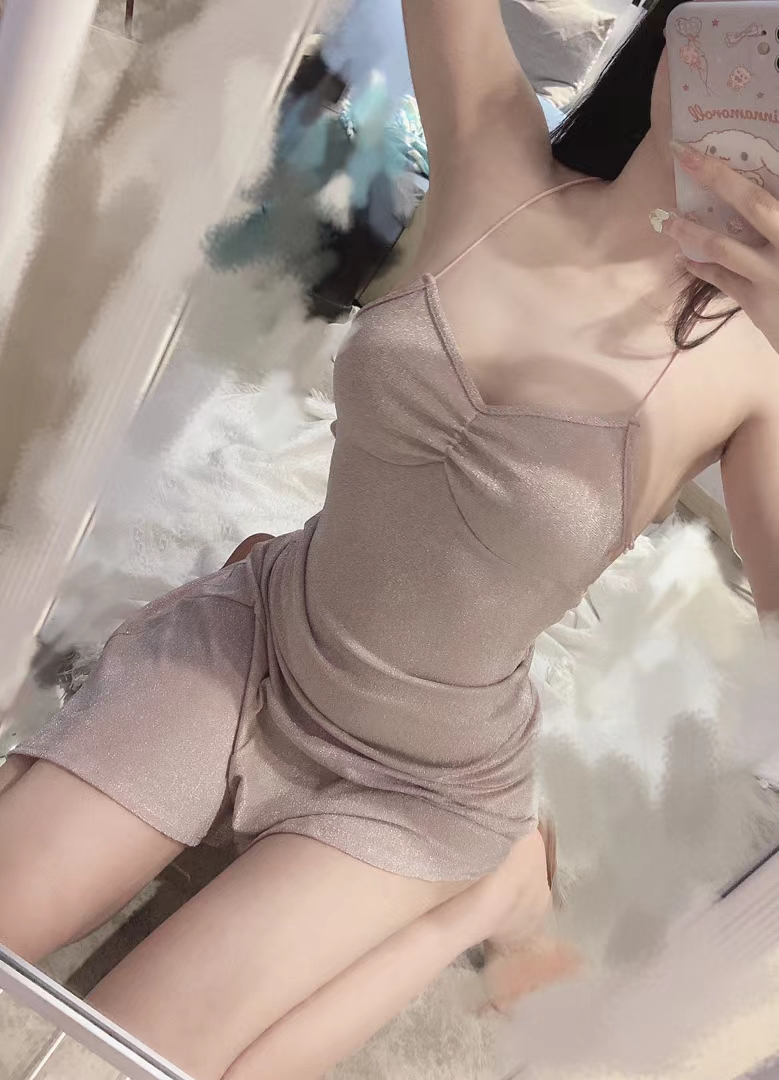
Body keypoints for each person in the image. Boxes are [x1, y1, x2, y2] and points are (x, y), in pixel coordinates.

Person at [1, 1, 778, 1077]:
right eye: (756, 39)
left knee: (114, 1064)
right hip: (256, 644)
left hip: (417, 787)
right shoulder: (493, 154)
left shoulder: (754, 375)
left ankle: (480, 899)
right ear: (678, 32)